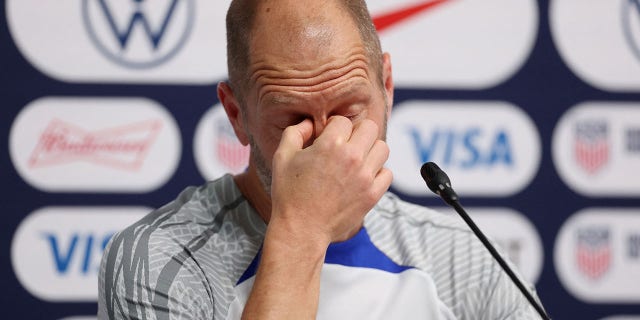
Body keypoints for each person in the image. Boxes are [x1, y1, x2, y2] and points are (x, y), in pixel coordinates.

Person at [98, 0, 545, 319]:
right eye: (293, 119)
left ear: (386, 86)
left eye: (350, 110)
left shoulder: (459, 253)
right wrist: (302, 230)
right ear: (237, 115)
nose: (331, 142)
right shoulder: (158, 260)